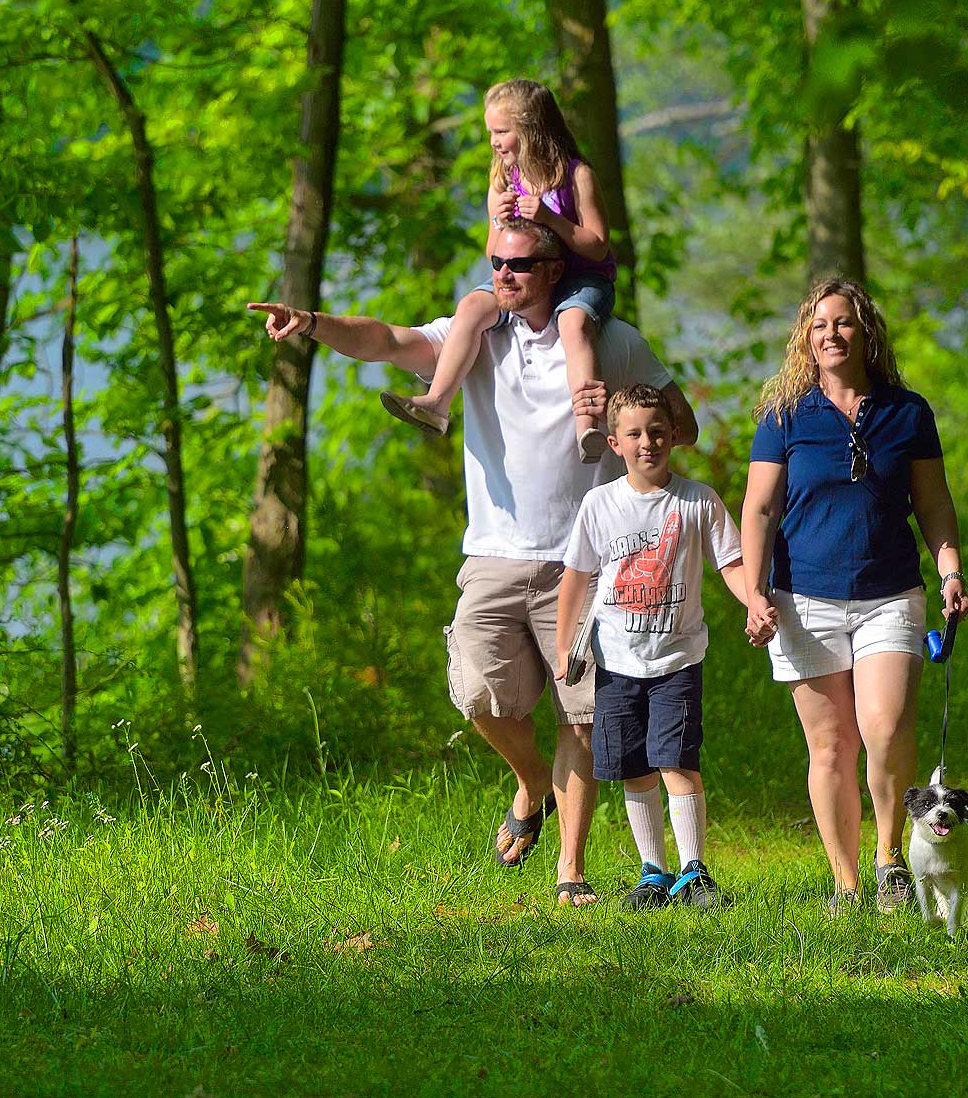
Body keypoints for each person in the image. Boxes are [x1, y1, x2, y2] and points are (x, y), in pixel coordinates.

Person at [249, 217, 696, 907]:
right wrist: (309, 320)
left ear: (554, 268)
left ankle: (570, 873)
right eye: (496, 262)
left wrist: (623, 420)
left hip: (586, 562)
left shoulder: (612, 341)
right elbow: (385, 341)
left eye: (519, 264)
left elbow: (682, 426)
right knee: (478, 694)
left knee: (582, 717)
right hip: (492, 555)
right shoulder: (476, 338)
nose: (503, 274)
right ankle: (530, 782)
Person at [738, 279, 968, 914]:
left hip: (889, 593)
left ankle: (890, 856)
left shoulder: (908, 412)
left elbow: (933, 504)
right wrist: (755, 594)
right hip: (802, 599)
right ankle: (846, 883)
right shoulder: (784, 415)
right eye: (818, 327)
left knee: (886, 726)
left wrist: (949, 570)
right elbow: (759, 509)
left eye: (842, 323)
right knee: (831, 745)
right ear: (805, 340)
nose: (830, 335)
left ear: (865, 332)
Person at [554, 384, 763, 912]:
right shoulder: (600, 504)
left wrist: (753, 603)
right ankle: (654, 872)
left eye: (657, 431)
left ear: (673, 436)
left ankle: (693, 871)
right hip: (617, 662)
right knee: (633, 766)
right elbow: (577, 579)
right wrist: (562, 648)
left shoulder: (697, 501)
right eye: (635, 434)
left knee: (676, 760)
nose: (648, 442)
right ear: (614, 442)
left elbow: (731, 564)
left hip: (677, 659)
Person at [382, 80, 619, 462]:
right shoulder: (503, 181)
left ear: (531, 130)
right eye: (490, 131)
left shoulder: (576, 176)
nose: (493, 141)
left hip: (580, 279)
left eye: (501, 132)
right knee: (471, 307)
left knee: (573, 324)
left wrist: (549, 219)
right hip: (525, 278)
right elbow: (495, 253)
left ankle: (587, 424)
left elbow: (597, 245)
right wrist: (500, 220)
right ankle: (436, 402)